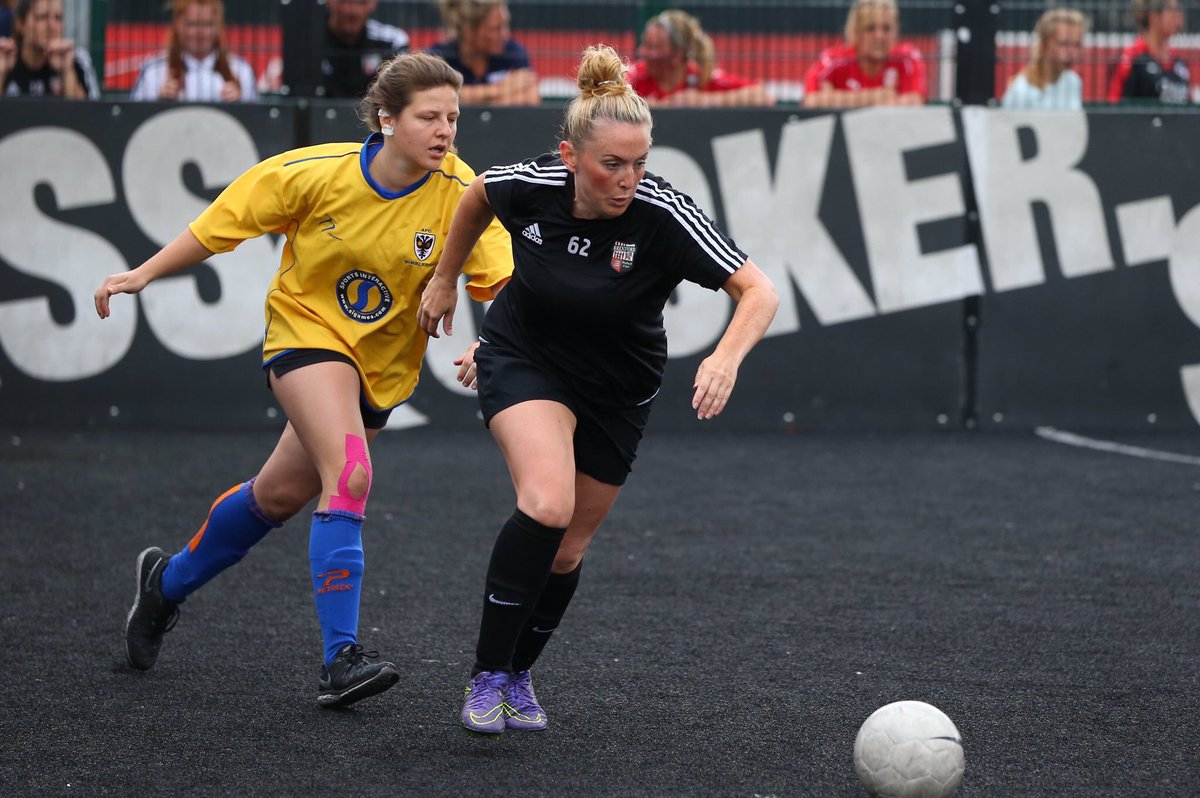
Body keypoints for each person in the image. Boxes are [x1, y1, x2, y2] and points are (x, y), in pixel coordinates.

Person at [94, 52, 513, 708]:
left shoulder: (465, 193)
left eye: (453, 118)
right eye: (429, 117)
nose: (445, 131)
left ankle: (164, 586)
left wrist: (494, 339)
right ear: (386, 119)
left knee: (279, 496)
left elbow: (506, 285)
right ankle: (340, 660)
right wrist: (141, 274)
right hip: (305, 338)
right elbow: (217, 228)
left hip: (380, 372)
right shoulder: (314, 173)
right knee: (350, 474)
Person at [417, 44, 779, 734]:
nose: (628, 179)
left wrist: (727, 358)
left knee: (567, 549)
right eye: (613, 164)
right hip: (526, 358)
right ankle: (486, 674)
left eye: (640, 163)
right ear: (570, 157)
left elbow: (758, 291)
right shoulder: (531, 184)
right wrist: (443, 278)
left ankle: (520, 673)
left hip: (619, 388)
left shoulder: (663, 213)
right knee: (546, 503)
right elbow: (476, 196)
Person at [626, 9, 773, 108]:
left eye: (652, 47)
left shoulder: (701, 78)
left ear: (677, 55)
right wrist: (649, 107)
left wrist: (704, 100)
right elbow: (605, 98)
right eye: (644, 44)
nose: (642, 52)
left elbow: (764, 97)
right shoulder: (635, 75)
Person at [801, 0, 926, 109]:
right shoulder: (833, 59)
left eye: (886, 28)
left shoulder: (907, 57)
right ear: (856, 31)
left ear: (896, 30)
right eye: (870, 28)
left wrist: (838, 99)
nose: (879, 36)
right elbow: (811, 101)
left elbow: (915, 101)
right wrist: (876, 96)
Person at [129, 0, 258, 103]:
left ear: (218, 27)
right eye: (192, 24)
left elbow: (257, 124)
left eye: (207, 24)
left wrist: (240, 105)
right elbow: (133, 121)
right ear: (177, 26)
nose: (199, 32)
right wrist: (158, 104)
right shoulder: (154, 71)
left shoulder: (241, 70)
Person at [427, 0, 538, 106]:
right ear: (469, 30)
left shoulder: (514, 52)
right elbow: (434, 97)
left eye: (505, 24)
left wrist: (471, 101)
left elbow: (531, 98)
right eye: (496, 28)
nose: (505, 35)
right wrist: (500, 89)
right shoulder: (438, 58)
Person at [0, 0, 99, 99]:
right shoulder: (5, 56)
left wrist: (68, 72)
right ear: (21, 24)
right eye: (42, 17)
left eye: (58, 18)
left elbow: (87, 112)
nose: (52, 26)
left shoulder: (76, 59)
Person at [1107, 0, 1192, 105]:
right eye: (1172, 12)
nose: (1179, 19)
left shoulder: (1178, 62)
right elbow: (1115, 103)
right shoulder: (1132, 57)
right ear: (1154, 16)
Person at [320, 0, 410, 99]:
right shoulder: (305, 41)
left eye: (362, 2)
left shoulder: (392, 42)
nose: (353, 11)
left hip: (373, 113)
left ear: (373, 3)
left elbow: (401, 94)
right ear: (329, 2)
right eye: (344, 2)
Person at [1001, 8, 1087, 110]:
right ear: (1044, 44)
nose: (1072, 52)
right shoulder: (1021, 91)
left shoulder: (1073, 81)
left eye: (1077, 45)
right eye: (1063, 44)